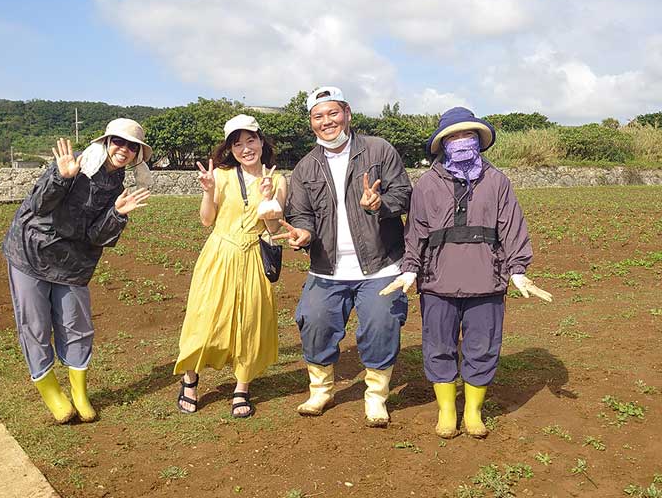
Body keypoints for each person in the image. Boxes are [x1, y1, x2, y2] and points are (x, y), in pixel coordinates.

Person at [381, 106, 552, 438]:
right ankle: (447, 410)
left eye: (467, 135)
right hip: (437, 283)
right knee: (438, 345)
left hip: (486, 282)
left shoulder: (498, 182)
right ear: (443, 143)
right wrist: (409, 270)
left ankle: (473, 411)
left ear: (478, 140)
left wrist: (518, 271)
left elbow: (512, 228)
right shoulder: (428, 184)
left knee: (482, 346)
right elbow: (415, 231)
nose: (461, 141)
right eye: (454, 136)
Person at [275, 86, 412, 427]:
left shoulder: (379, 149)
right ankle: (321, 389)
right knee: (314, 320)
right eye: (318, 116)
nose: (327, 121)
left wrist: (381, 204)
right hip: (328, 268)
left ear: (347, 113)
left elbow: (404, 193)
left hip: (381, 263)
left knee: (382, 323)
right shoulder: (306, 168)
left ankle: (376, 396)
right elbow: (302, 214)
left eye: (333, 113)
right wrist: (302, 233)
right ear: (311, 123)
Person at [2, 118, 152, 424]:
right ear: (107, 143)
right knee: (35, 325)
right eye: (118, 142)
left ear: (137, 154)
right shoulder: (77, 164)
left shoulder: (118, 188)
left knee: (77, 325)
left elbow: (98, 236)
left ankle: (79, 393)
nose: (123, 150)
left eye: (131, 146)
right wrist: (61, 176)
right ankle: (51, 392)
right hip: (32, 252)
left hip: (74, 263)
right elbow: (39, 205)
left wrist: (116, 213)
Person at [174, 114, 287, 418]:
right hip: (219, 253)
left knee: (250, 322)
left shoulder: (277, 179)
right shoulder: (221, 176)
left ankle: (242, 388)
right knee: (204, 319)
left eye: (251, 140)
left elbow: (274, 228)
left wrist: (268, 200)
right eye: (238, 144)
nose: (246, 148)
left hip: (253, 254)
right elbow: (206, 220)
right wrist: (208, 191)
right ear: (230, 149)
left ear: (262, 141)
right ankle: (190, 380)